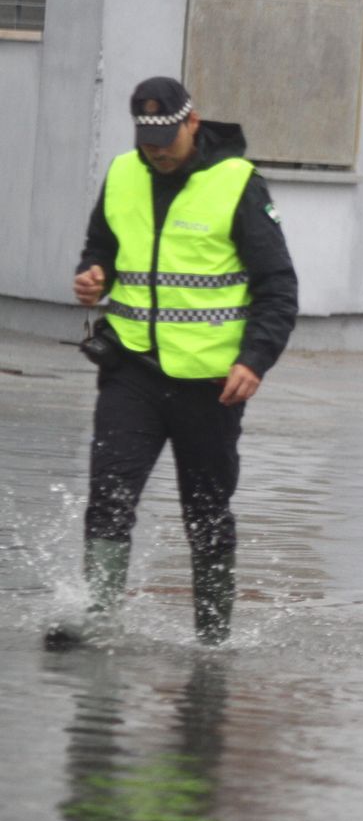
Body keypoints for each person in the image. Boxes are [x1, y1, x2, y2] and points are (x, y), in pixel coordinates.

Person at [45, 77, 298, 649]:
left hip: (210, 384)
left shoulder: (237, 183)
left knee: (205, 511)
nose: (156, 151)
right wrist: (92, 275)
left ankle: (213, 638)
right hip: (131, 369)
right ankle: (98, 619)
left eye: (166, 139)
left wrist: (254, 360)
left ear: (192, 123)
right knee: (109, 494)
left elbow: (279, 287)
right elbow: (101, 247)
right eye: (146, 139)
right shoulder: (122, 173)